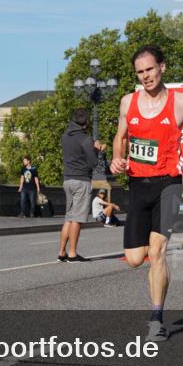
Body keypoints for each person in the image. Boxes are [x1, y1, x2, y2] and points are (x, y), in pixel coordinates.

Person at [111, 45, 183, 342]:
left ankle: (157, 318)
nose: (146, 76)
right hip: (137, 185)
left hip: (169, 183)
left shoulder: (182, 102)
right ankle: (155, 301)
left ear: (162, 68)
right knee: (133, 258)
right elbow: (121, 137)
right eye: (140, 72)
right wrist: (118, 158)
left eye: (150, 69)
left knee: (157, 253)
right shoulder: (127, 102)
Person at [58, 108, 105, 263]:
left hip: (67, 180)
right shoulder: (86, 139)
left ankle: (62, 252)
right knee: (77, 219)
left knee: (69, 218)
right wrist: (97, 150)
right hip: (81, 180)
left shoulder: (65, 136)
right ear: (86, 122)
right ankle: (72, 254)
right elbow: (93, 163)